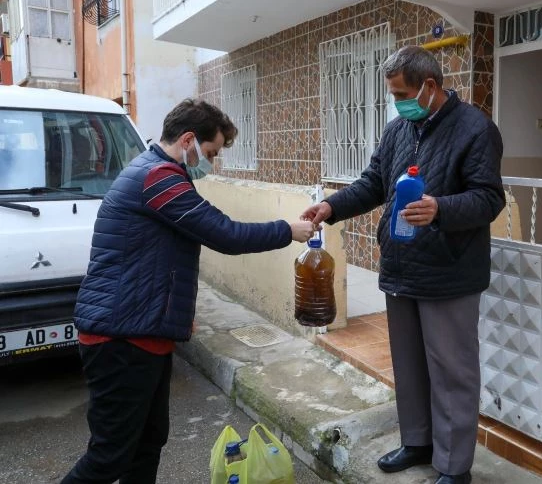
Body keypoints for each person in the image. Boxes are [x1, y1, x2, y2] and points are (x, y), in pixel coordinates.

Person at [61, 99, 318, 484]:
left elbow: (162, 257)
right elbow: (223, 233)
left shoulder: (154, 173)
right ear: (187, 140)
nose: (210, 162)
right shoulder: (159, 178)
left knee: (148, 442)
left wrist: (176, 314)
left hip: (141, 330)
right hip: (120, 337)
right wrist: (287, 230)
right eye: (211, 152)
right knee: (108, 457)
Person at [301, 46, 504, 484]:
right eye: (393, 95)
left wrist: (440, 209)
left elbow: (489, 198)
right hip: (401, 266)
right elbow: (373, 183)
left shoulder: (475, 129)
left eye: (402, 93)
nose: (397, 102)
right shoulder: (398, 130)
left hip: (449, 271)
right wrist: (330, 208)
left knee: (452, 370)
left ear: (430, 87)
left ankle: (454, 467)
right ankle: (417, 442)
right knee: (409, 364)